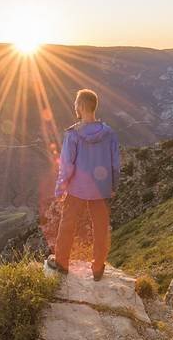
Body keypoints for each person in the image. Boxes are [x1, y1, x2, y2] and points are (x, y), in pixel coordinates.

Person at [47, 88, 121, 282]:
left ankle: (62, 263)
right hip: (102, 188)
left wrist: (60, 188)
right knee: (101, 227)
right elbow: (115, 165)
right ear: (94, 106)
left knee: (68, 224)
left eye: (75, 105)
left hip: (77, 189)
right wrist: (113, 186)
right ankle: (98, 268)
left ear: (80, 106)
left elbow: (66, 166)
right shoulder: (109, 133)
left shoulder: (73, 135)